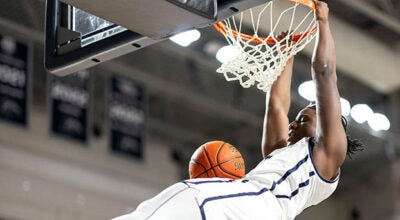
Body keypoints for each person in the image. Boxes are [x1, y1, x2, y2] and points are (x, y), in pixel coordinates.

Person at [112, 1, 364, 219]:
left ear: (329, 126)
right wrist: (286, 54)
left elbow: (325, 74)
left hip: (251, 203)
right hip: (253, 211)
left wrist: (323, 22)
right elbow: (276, 105)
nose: (293, 123)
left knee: (183, 197)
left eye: (302, 119)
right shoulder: (282, 156)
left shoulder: (328, 154)